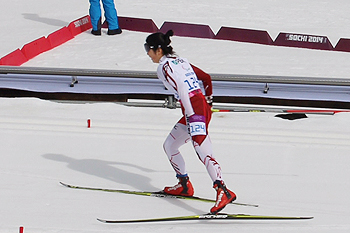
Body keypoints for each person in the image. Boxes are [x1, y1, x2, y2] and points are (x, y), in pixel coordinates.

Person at [144, 30, 236, 214]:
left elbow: (181, 87)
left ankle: (222, 190)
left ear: (159, 50)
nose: (147, 53)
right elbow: (206, 78)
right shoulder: (181, 60)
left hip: (193, 110)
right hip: (196, 107)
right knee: (170, 145)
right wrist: (208, 102)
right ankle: (184, 185)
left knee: (202, 151)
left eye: (148, 49)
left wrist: (192, 111)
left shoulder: (163, 68)